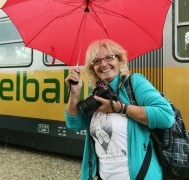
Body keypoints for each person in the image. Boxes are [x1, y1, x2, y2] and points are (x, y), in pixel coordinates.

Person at [65, 39, 174, 180]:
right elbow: (74, 124)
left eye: (109, 57)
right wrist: (74, 93)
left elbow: (166, 117)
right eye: (97, 61)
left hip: (139, 175)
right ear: (92, 68)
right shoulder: (96, 94)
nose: (103, 64)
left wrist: (120, 108)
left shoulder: (134, 83)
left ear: (119, 60)